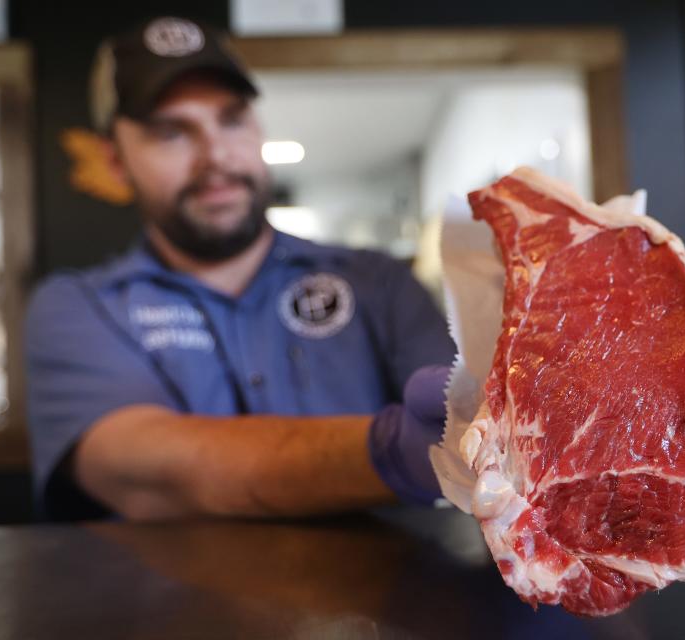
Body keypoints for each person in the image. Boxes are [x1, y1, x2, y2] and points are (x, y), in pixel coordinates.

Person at [25, 16, 456, 521]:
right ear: (115, 162)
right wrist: (387, 450)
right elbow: (146, 473)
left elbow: (468, 427)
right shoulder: (81, 307)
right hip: (174, 602)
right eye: (171, 132)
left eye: (231, 119)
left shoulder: (378, 282)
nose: (217, 157)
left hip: (387, 596)